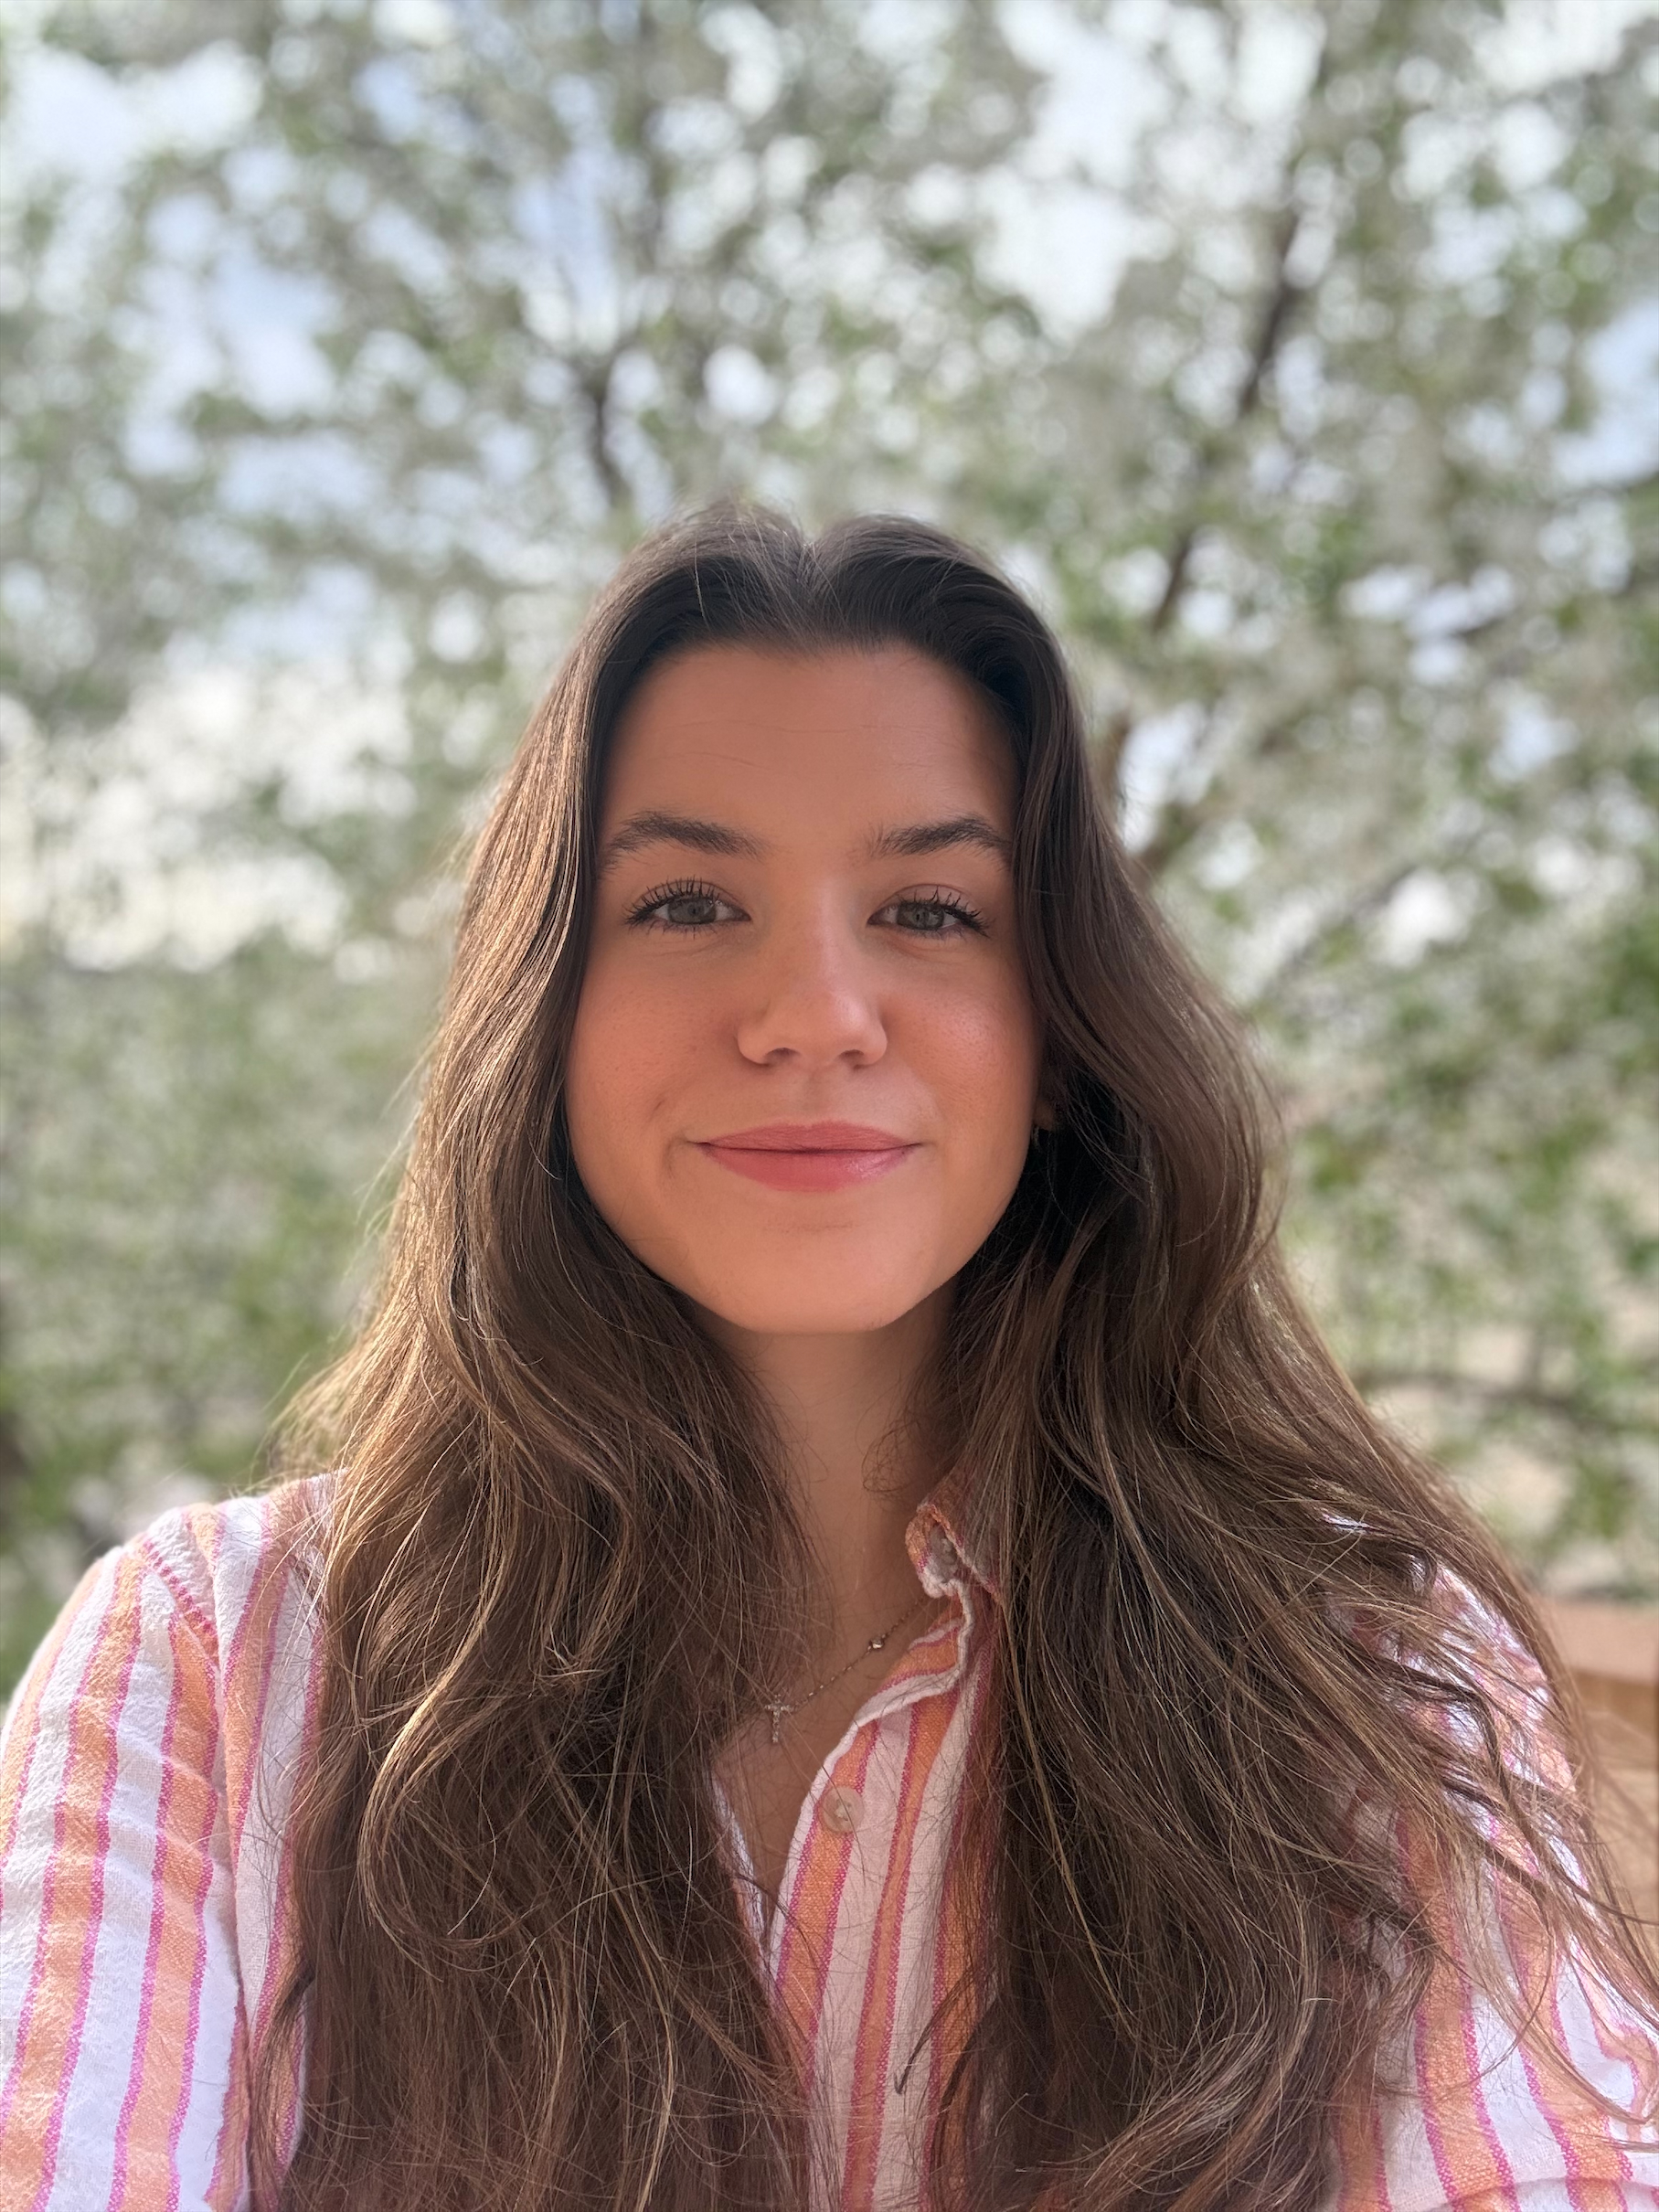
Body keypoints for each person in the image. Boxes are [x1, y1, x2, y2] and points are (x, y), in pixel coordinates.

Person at [1, 507, 1654, 2212]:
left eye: (930, 909)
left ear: (1063, 1037)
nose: (812, 1012)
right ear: (541, 1017)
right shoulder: (210, 1670)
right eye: (688, 901)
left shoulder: (1361, 1678)